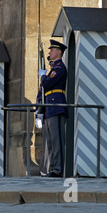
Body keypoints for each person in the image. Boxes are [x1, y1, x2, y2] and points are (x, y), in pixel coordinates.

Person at [38, 39, 68, 177]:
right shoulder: (52, 69)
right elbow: (43, 89)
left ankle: (58, 170)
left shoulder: (59, 68)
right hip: (50, 107)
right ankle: (53, 168)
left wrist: (43, 76)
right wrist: (40, 111)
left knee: (57, 141)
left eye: (52, 50)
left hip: (56, 107)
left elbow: (48, 83)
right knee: (50, 141)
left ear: (59, 52)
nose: (50, 52)